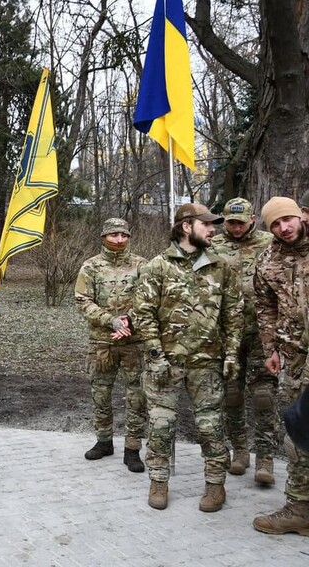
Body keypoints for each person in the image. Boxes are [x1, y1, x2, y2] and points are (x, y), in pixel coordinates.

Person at [133, 203, 243, 512]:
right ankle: (158, 480)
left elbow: (234, 316)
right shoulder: (157, 266)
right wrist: (155, 354)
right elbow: (143, 315)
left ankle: (215, 485)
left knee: (211, 427)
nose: (213, 229)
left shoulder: (221, 267)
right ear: (186, 227)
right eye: (206, 224)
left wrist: (232, 353)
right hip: (165, 365)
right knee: (160, 426)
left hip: (207, 364)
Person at [251, 196, 309, 536]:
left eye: (287, 219)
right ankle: (299, 508)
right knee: (299, 433)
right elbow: (265, 307)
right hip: (296, 358)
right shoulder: (268, 260)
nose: (283, 228)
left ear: (300, 215)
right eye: (274, 224)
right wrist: (270, 348)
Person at [211, 198, 278, 484]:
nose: (236, 228)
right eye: (230, 222)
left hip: (262, 331)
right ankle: (239, 450)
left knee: (263, 396)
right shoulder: (213, 246)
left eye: (241, 222)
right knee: (232, 393)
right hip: (227, 333)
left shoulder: (270, 242)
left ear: (252, 219)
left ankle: (265, 457)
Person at [74, 218, 147, 472]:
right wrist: (111, 321)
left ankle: (133, 448)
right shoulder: (91, 267)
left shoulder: (141, 265)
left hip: (133, 342)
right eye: (113, 235)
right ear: (103, 236)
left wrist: (128, 322)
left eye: (124, 235)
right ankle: (104, 441)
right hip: (102, 342)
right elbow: (83, 301)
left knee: (136, 396)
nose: (119, 240)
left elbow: (149, 300)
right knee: (101, 394)